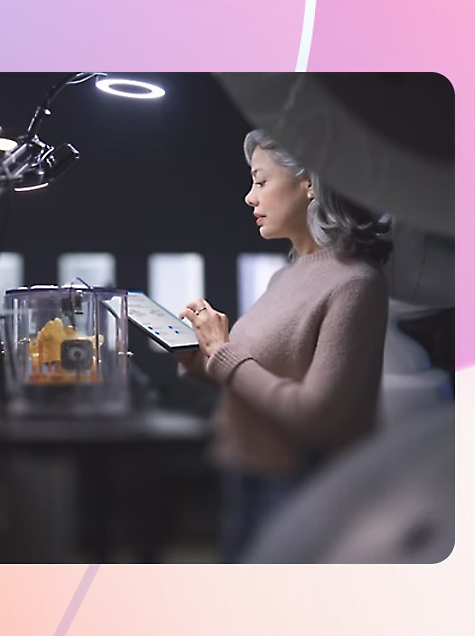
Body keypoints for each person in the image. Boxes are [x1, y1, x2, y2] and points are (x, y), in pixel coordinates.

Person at [177, 129, 392, 563]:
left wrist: (222, 353)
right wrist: (197, 356)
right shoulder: (286, 276)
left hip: (298, 488)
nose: (248, 198)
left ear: (309, 181)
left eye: (260, 180)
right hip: (246, 476)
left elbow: (318, 418)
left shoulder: (354, 283)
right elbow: (253, 380)